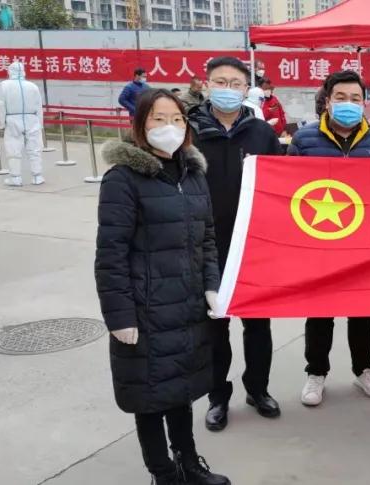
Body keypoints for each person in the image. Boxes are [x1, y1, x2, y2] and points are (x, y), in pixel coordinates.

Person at [95, 88, 231, 485]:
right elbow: (111, 255)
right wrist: (119, 316)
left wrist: (211, 285)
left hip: (187, 307)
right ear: (140, 125)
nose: (168, 127)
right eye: (158, 118)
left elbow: (207, 239)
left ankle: (189, 464)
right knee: (150, 397)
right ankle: (163, 473)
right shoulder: (123, 179)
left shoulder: (193, 174)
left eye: (176, 119)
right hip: (145, 310)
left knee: (180, 389)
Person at [287, 70, 370, 406]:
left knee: (363, 310)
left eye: (355, 98)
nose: (348, 104)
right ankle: (316, 371)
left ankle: (364, 368)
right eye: (340, 98)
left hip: (366, 243)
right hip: (320, 241)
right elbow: (286, 188)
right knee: (320, 311)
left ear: (364, 102)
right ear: (327, 101)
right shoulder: (304, 139)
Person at [187, 56, 283, 431]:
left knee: (258, 326)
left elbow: (281, 185)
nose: (227, 89)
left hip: (253, 245)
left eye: (235, 83)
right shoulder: (189, 129)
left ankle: (258, 389)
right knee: (215, 329)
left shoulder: (260, 132)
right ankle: (217, 397)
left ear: (247, 89)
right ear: (206, 84)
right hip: (205, 246)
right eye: (220, 82)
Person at [0, 61, 45, 187]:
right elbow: (39, 106)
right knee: (35, 149)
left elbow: (1, 105)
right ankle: (37, 176)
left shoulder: (4, 85)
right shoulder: (32, 86)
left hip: (13, 119)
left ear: (10, 71)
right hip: (32, 119)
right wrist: (40, 124)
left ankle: (15, 177)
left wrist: (1, 123)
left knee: (13, 149)